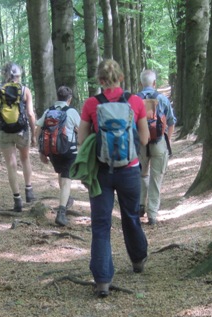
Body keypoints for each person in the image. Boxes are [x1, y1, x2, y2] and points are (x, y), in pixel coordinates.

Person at [77, 60, 150, 298]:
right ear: (121, 78)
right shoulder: (135, 102)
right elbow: (145, 139)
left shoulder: (91, 104)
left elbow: (81, 139)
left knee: (101, 225)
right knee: (131, 216)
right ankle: (138, 260)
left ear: (100, 81)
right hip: (130, 170)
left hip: (101, 172)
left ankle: (102, 281)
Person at [0, 62, 37, 212]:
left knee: (11, 164)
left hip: (4, 131)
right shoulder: (25, 90)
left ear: (4, 74)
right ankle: (29, 191)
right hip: (21, 130)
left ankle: (17, 200)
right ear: (19, 75)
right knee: (25, 159)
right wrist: (34, 133)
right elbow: (30, 114)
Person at [35, 85, 81, 226]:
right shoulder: (72, 112)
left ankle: (65, 199)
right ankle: (61, 213)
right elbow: (81, 130)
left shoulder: (49, 111)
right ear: (69, 99)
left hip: (53, 151)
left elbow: (38, 130)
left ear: (58, 97)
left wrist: (41, 151)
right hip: (69, 151)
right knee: (67, 179)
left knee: (61, 174)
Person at [137, 69, 177, 225]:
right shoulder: (162, 99)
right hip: (159, 142)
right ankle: (152, 214)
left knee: (142, 175)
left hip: (141, 143)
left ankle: (140, 205)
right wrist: (167, 140)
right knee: (156, 178)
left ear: (141, 83)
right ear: (154, 83)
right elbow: (171, 122)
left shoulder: (134, 99)